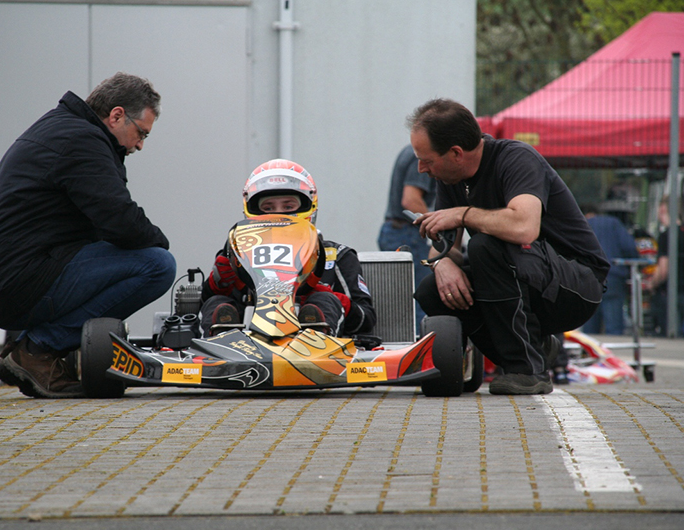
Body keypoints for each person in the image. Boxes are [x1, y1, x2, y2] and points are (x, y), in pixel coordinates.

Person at [0, 72, 177, 399]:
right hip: (21, 282)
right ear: (117, 115)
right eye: (141, 133)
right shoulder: (81, 141)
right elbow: (119, 220)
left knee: (122, 251)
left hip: (8, 281)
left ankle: (37, 350)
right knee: (157, 265)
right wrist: (161, 243)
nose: (139, 145)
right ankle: (37, 350)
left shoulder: (62, 129)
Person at [409, 99, 609, 395]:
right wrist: (442, 263)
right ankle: (533, 348)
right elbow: (444, 246)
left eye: (426, 160)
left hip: (577, 286)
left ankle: (527, 371)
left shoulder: (516, 158)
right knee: (433, 290)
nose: (420, 168)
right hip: (526, 275)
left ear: (456, 153)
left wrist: (462, 214)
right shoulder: (450, 177)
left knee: (485, 247)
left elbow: (524, 228)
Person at [200, 159, 376, 338]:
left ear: (310, 206)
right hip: (243, 346)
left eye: (288, 206)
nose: (278, 214)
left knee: (324, 300)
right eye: (268, 208)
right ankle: (222, 341)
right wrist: (217, 285)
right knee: (217, 302)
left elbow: (366, 319)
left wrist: (334, 298)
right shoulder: (236, 253)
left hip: (314, 350)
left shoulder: (336, 255)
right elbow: (198, 310)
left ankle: (314, 331)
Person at [377, 144, 437, 325]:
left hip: (396, 231)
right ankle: (420, 339)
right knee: (418, 299)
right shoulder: (421, 155)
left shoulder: (409, 151)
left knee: (402, 300)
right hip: (407, 235)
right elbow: (411, 200)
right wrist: (438, 225)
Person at [579, 203, 639, 335]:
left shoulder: (581, 225)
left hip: (587, 280)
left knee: (589, 329)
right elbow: (629, 247)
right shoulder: (614, 223)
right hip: (612, 277)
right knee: (614, 327)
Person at [648, 198, 684, 336]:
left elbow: (663, 270)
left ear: (663, 209)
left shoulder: (666, 235)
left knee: (669, 333)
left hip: (670, 293)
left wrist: (652, 283)